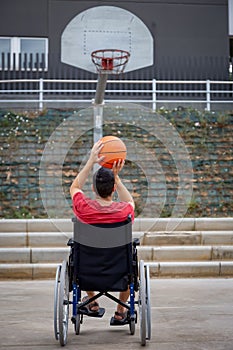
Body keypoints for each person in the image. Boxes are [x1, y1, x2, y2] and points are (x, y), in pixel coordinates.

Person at [70, 139, 135, 323]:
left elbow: (74, 187)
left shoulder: (83, 207)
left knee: (78, 253)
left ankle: (92, 301)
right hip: (119, 271)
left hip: (87, 271)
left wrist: (91, 160)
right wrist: (117, 177)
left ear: (92, 188)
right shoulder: (124, 212)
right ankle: (121, 310)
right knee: (130, 260)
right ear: (114, 188)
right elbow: (130, 201)